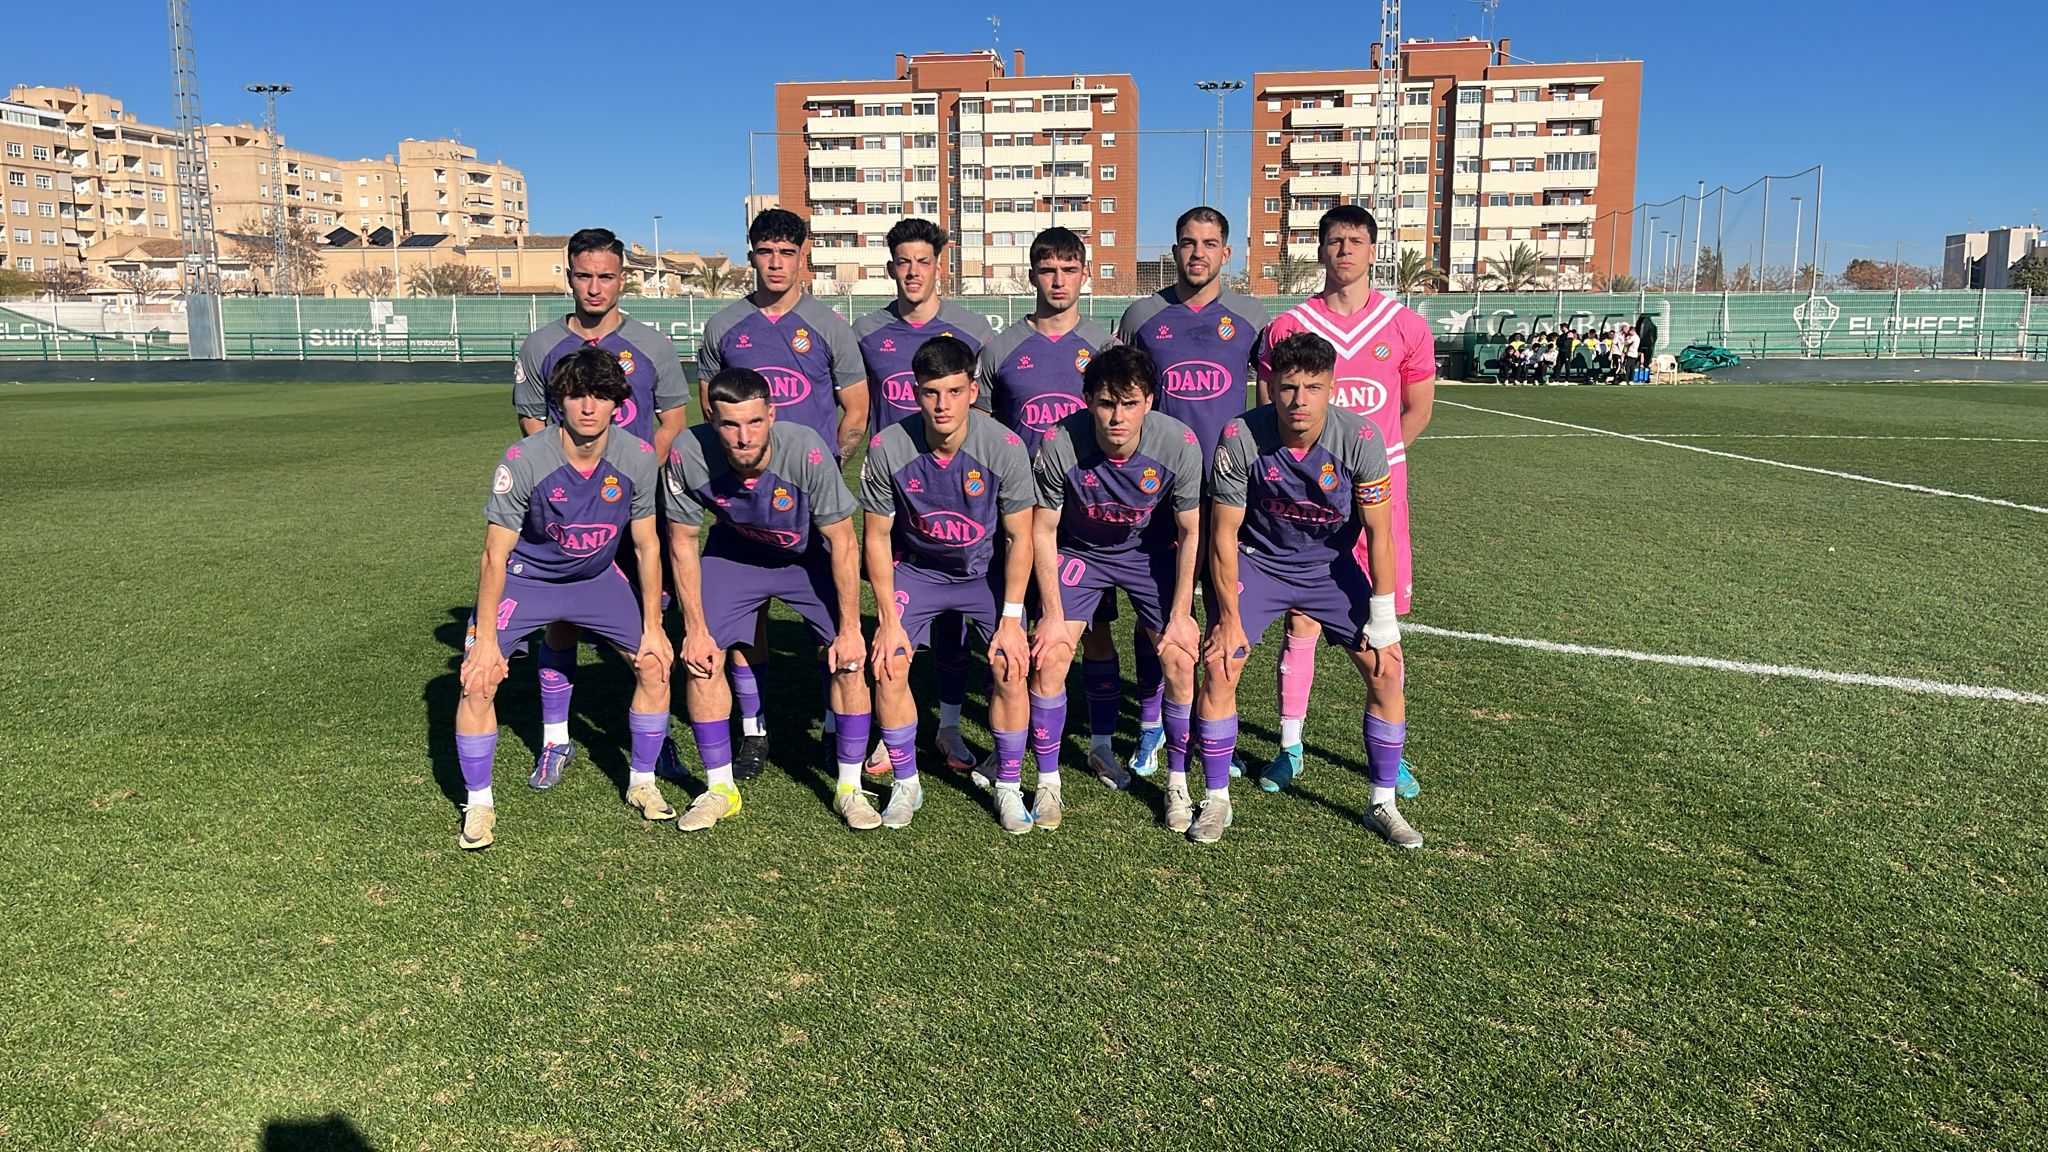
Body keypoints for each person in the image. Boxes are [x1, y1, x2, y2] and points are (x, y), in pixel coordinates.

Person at [1195, 331, 1419, 848]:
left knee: (1387, 670)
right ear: (1270, 386)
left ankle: (1382, 803)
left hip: (1329, 569)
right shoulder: (1240, 436)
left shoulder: (1361, 438)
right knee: (1221, 663)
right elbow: (1223, 535)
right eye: (1288, 387)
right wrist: (1227, 618)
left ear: (1331, 388)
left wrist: (1383, 617)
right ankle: (1216, 798)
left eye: (1313, 387)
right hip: (1260, 564)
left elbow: (1380, 534)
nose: (1299, 400)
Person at [454, 348, 674, 850]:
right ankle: (479, 804)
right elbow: (493, 556)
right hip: (526, 580)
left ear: (618, 403)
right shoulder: (524, 460)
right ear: (560, 402)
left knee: (655, 663)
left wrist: (654, 626)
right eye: (577, 396)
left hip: (596, 579)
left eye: (600, 396)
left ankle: (643, 782)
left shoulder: (638, 457)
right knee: (478, 679)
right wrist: (484, 641)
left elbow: (646, 545)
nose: (588, 407)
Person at [1254, 205, 1434, 796]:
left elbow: (1418, 410)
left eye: (1356, 240)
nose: (1345, 250)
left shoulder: (1405, 325)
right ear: (1321, 250)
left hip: (1380, 497)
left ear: (1373, 249)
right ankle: (1290, 745)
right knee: (1301, 616)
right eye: (1335, 241)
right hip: (1307, 497)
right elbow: (1269, 411)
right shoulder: (1290, 325)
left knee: (1383, 629)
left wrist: (1370, 464)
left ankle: (1389, 755)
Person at [510, 228, 688, 791]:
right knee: (561, 621)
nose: (594, 287)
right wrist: (566, 480)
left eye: (606, 276)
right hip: (564, 513)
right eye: (584, 275)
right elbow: (531, 420)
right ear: (568, 275)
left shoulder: (652, 345)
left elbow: (673, 420)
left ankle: (656, 740)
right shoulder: (541, 345)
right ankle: (555, 739)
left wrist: (637, 473)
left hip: (633, 509)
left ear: (622, 279)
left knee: (652, 621)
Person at [697, 208, 870, 780]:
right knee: (746, 626)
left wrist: (825, 470)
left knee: (834, 623)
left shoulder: (829, 325)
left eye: (786, 253)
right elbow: (710, 407)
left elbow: (856, 410)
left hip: (807, 507)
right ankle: (755, 729)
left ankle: (833, 722)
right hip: (743, 504)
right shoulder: (724, 326)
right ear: (752, 255)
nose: (776, 263)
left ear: (804, 255)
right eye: (766, 252)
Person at [663, 368, 875, 831]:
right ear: (712, 420)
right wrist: (694, 629)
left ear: (772, 415)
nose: (744, 437)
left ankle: (850, 788)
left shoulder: (806, 451)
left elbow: (843, 541)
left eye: (754, 422)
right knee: (701, 659)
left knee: (848, 658)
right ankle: (720, 790)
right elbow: (682, 542)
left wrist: (851, 628)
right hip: (736, 554)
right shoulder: (687, 453)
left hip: (805, 556)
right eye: (730, 424)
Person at [1114, 206, 1271, 780]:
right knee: (1156, 610)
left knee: (1224, 610)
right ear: (1174, 249)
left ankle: (1209, 724)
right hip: (1154, 489)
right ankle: (1151, 725)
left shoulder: (1251, 317)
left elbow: (1272, 400)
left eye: (1209, 243)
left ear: (1227, 253)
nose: (1197, 253)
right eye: (1187, 242)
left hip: (1228, 489)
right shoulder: (1142, 316)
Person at [1026, 345, 1204, 832]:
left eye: (1129, 403)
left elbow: (1190, 531)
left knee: (1179, 655)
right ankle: (1048, 783)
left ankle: (1177, 784)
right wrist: (1052, 615)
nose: (1117, 416)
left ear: (1149, 401)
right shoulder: (1059, 442)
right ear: (1088, 400)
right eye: (1106, 403)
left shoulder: (1179, 443)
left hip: (1148, 553)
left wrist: (1182, 613)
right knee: (1051, 654)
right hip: (1081, 552)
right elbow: (1043, 529)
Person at [862, 336, 1036, 832]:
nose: (943, 405)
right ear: (915, 392)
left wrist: (1011, 620)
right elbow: (876, 537)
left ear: (973, 391)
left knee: (1010, 665)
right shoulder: (889, 447)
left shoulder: (1004, 447)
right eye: (931, 392)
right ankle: (906, 783)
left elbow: (1019, 537)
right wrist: (888, 620)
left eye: (955, 392)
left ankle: (1007, 785)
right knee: (889, 662)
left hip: (984, 575)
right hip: (919, 571)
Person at [975, 226, 1126, 788]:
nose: (1058, 281)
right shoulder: (1001, 348)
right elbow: (983, 427)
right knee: (1013, 628)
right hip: (1018, 515)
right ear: (1032, 275)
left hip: (1084, 519)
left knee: (1096, 630)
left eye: (1068, 269)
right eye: (1047, 270)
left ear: (1084, 274)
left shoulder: (1105, 348)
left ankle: (1103, 743)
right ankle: (1009, 742)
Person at [852, 218, 997, 776]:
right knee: (892, 619)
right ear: (890, 267)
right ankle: (891, 734)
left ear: (940, 265)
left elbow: (985, 414)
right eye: (902, 262)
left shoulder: (972, 330)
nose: (913, 272)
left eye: (923, 261)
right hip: (897, 495)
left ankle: (950, 726)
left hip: (958, 496)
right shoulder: (867, 331)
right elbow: (855, 406)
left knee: (955, 621)